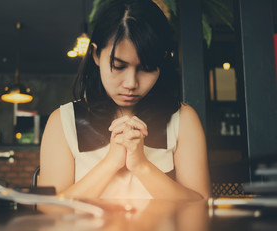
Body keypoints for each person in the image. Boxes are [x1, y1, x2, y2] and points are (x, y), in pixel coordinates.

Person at [38, 0, 210, 199]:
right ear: (95, 55)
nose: (131, 83)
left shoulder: (183, 119)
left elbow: (200, 203)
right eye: (119, 66)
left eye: (146, 68)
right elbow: (49, 207)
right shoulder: (62, 121)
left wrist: (142, 166)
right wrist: (111, 163)